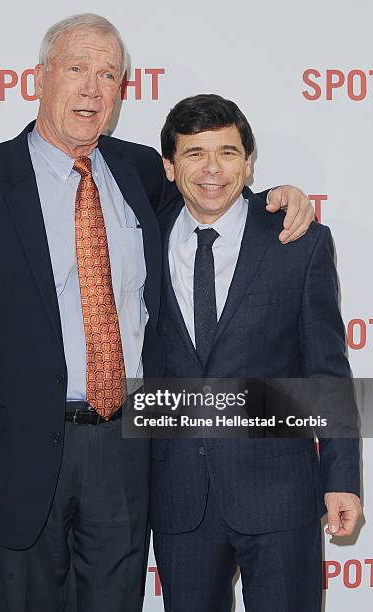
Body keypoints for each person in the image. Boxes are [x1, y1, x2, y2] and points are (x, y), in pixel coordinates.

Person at [0, 14, 313, 612]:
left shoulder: (140, 171)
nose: (94, 89)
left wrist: (280, 201)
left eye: (109, 75)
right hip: (13, 456)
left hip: (124, 451)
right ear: (41, 77)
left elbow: (214, 190)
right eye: (78, 69)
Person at [150, 93, 363, 612]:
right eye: (195, 154)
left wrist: (342, 481)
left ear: (248, 162)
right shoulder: (139, 235)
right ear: (170, 166)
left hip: (280, 492)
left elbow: (326, 370)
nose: (212, 169)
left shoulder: (297, 240)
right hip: (179, 496)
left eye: (227, 152)